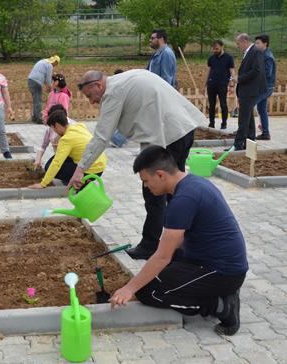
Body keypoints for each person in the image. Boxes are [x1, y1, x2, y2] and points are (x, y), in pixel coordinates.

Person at [110, 146, 248, 336]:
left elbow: (161, 257)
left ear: (160, 175)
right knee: (159, 271)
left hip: (222, 272)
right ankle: (219, 292)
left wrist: (129, 288)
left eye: (145, 181)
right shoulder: (194, 183)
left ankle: (220, 305)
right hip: (216, 262)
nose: (146, 187)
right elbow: (173, 246)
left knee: (148, 292)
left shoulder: (183, 199)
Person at [71, 69, 207, 260]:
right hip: (180, 129)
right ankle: (181, 243)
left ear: (98, 85)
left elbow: (102, 137)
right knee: (175, 191)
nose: (92, 102)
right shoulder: (125, 78)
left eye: (90, 96)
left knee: (154, 190)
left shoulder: (112, 92)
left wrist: (80, 169)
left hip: (169, 136)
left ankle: (152, 245)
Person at [28, 108, 106, 189]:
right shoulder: (79, 126)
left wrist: (43, 184)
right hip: (100, 165)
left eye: (53, 128)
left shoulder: (66, 139)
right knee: (51, 162)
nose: (54, 131)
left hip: (91, 171)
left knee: (50, 166)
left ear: (57, 125)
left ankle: (82, 182)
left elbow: (57, 163)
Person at [232, 34, 266, 151]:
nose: (238, 46)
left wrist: (239, 79)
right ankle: (250, 142)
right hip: (247, 90)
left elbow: (256, 71)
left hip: (250, 90)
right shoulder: (250, 51)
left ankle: (238, 144)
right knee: (249, 118)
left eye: (238, 43)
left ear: (244, 41)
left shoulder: (255, 51)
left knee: (243, 119)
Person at [33, 104, 75, 170]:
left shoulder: (73, 126)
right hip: (59, 156)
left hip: (73, 157)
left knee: (55, 169)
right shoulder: (50, 128)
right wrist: (38, 160)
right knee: (48, 167)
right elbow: (42, 146)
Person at [205, 40, 235, 129]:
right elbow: (208, 72)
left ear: (222, 47)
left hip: (222, 84)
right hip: (211, 84)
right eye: (214, 49)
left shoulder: (229, 58)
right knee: (211, 105)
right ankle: (211, 123)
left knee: (223, 104)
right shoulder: (211, 58)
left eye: (217, 49)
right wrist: (204, 85)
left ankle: (224, 123)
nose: (215, 51)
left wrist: (232, 84)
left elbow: (232, 71)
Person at [254, 34, 276, 140]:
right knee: (261, 109)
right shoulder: (261, 54)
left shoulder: (268, 56)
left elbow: (267, 73)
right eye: (255, 42)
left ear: (265, 43)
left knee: (249, 105)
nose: (256, 44)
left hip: (266, 87)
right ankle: (265, 133)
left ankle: (245, 131)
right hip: (263, 86)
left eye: (258, 43)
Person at [27, 55, 60, 124]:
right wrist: (51, 89)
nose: (55, 66)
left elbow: (45, 78)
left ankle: (35, 118)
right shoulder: (49, 65)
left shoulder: (43, 61)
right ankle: (38, 119)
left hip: (31, 80)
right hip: (36, 82)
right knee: (38, 100)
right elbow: (47, 79)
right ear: (55, 62)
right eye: (56, 64)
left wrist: (48, 87)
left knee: (36, 100)